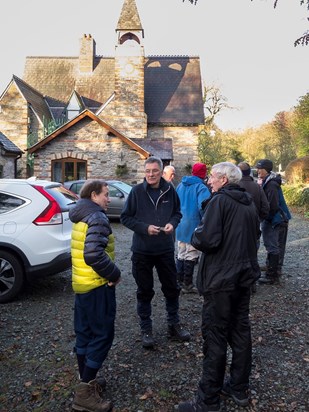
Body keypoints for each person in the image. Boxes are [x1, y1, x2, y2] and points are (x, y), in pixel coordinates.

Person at [178, 162, 260, 412]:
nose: (209, 181)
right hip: (243, 278)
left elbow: (207, 239)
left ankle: (208, 400)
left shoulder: (220, 202)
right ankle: (238, 387)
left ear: (224, 179)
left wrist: (194, 235)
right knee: (240, 331)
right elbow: (255, 237)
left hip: (221, 280)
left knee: (215, 336)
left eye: (212, 177)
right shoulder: (248, 202)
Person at [120, 156, 190, 349]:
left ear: (161, 172)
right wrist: (144, 228)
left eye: (155, 171)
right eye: (148, 171)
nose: (151, 175)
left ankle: (173, 325)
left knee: (171, 288)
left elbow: (177, 213)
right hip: (142, 250)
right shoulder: (136, 192)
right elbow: (125, 218)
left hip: (165, 249)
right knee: (144, 290)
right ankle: (146, 329)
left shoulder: (170, 190)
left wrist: (172, 224)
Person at [69, 179, 121, 412]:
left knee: (85, 334)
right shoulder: (97, 217)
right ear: (93, 196)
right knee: (102, 335)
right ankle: (84, 394)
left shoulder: (80, 215)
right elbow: (92, 254)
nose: (108, 199)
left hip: (81, 284)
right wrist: (114, 274)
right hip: (97, 285)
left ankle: (87, 381)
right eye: (105, 194)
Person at [176, 162, 211, 293]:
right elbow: (204, 207)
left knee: (181, 253)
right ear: (204, 173)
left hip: (180, 224)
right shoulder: (201, 188)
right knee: (191, 254)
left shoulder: (180, 185)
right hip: (193, 225)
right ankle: (187, 284)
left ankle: (178, 281)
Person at [255, 159, 291, 284]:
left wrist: (264, 217)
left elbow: (273, 205)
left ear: (267, 170)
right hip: (279, 218)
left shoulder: (271, 185)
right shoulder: (270, 181)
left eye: (260, 168)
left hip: (275, 220)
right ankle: (273, 267)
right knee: (277, 246)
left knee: (273, 246)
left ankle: (272, 276)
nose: (258, 170)